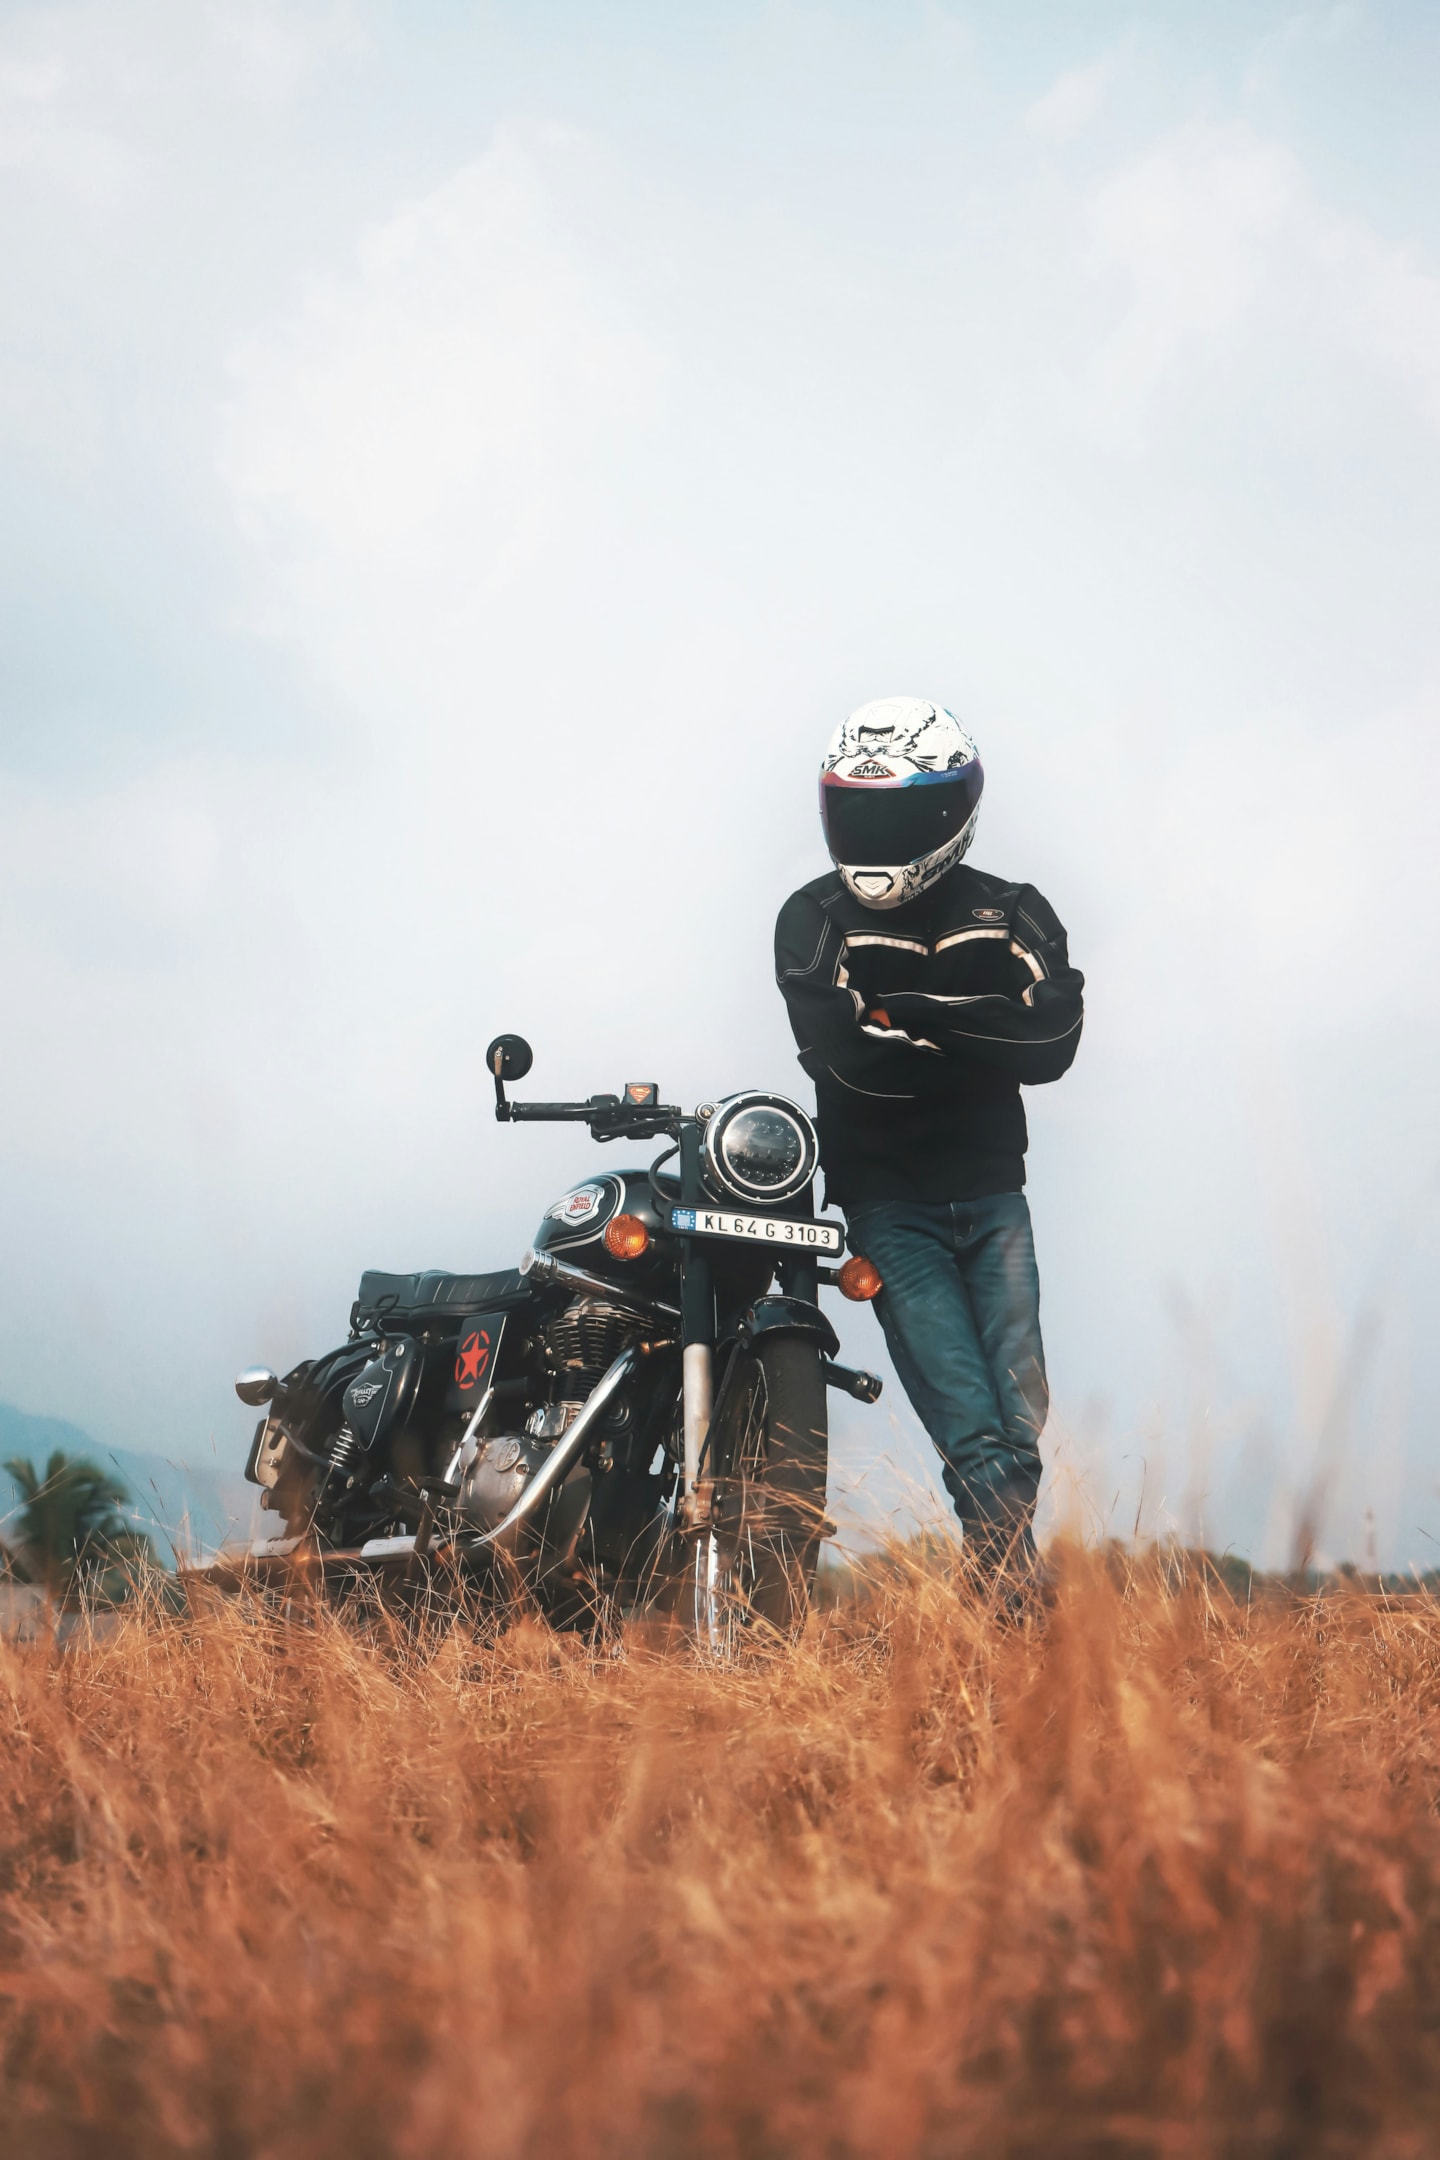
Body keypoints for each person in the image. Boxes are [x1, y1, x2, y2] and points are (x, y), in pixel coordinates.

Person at [774, 695, 1083, 1586]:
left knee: (1020, 1414)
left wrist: (902, 1014)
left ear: (952, 812)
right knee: (972, 1416)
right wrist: (983, 1034)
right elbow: (845, 1059)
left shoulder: (1014, 910)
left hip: (993, 1194)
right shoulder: (814, 916)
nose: (874, 831)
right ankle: (1015, 1599)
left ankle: (995, 1594)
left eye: (898, 811)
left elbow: (1053, 1044)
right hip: (886, 1203)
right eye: (857, 807)